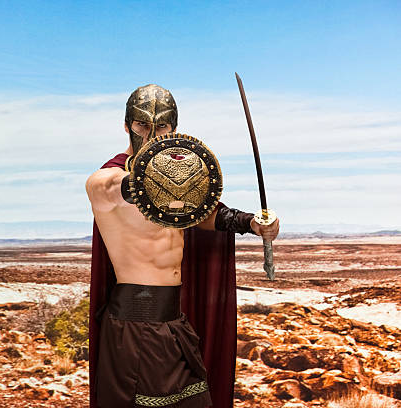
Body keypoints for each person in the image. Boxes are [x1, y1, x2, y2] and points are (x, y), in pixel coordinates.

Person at [85, 84, 279, 407]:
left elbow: (203, 216)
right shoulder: (109, 178)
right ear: (126, 125)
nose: (151, 134)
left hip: (174, 325)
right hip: (134, 329)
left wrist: (251, 224)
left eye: (161, 125)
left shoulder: (177, 186)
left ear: (173, 128)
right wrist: (141, 180)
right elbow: (102, 189)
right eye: (141, 125)